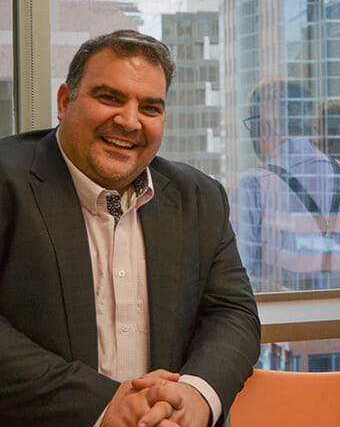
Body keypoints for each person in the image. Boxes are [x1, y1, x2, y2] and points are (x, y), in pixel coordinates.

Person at [0, 30, 261, 427]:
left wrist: (195, 394)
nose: (129, 121)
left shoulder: (199, 196)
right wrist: (104, 405)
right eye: (110, 98)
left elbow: (232, 313)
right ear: (65, 101)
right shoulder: (7, 181)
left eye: (150, 108)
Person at [231, 79, 340, 292]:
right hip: (338, 314)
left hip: (281, 318)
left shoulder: (253, 186)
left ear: (262, 125)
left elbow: (239, 279)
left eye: (251, 124)